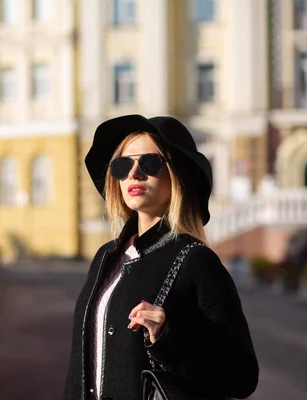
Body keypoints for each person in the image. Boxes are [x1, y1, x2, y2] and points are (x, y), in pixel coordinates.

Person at [64, 115, 259, 400]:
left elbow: (242, 376)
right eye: (123, 165)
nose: (134, 174)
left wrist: (169, 337)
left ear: (177, 175)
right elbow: (80, 367)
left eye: (149, 163)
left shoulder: (195, 261)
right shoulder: (105, 257)